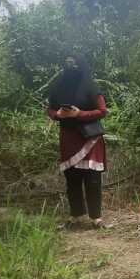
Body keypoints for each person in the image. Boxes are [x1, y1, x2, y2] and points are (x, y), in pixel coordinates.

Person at [47, 55, 109, 229]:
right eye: (67, 63)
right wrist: (58, 114)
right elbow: (50, 109)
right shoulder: (59, 86)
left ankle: (96, 218)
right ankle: (75, 216)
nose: (70, 67)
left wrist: (79, 114)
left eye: (74, 63)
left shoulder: (90, 86)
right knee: (72, 179)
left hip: (89, 139)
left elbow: (102, 111)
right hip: (68, 138)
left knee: (92, 180)